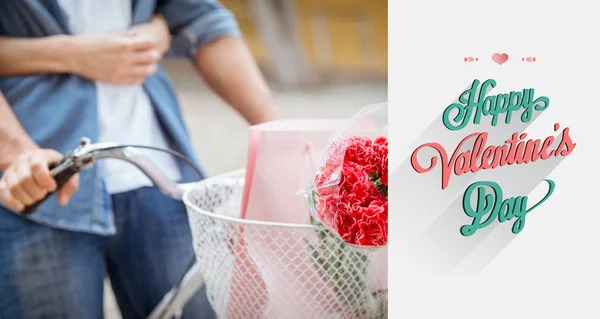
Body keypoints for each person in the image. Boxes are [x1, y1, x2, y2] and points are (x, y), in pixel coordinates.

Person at [0, 1, 278, 318]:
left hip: (158, 174)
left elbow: (199, 16)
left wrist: (277, 134)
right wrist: (16, 152)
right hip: (43, 180)